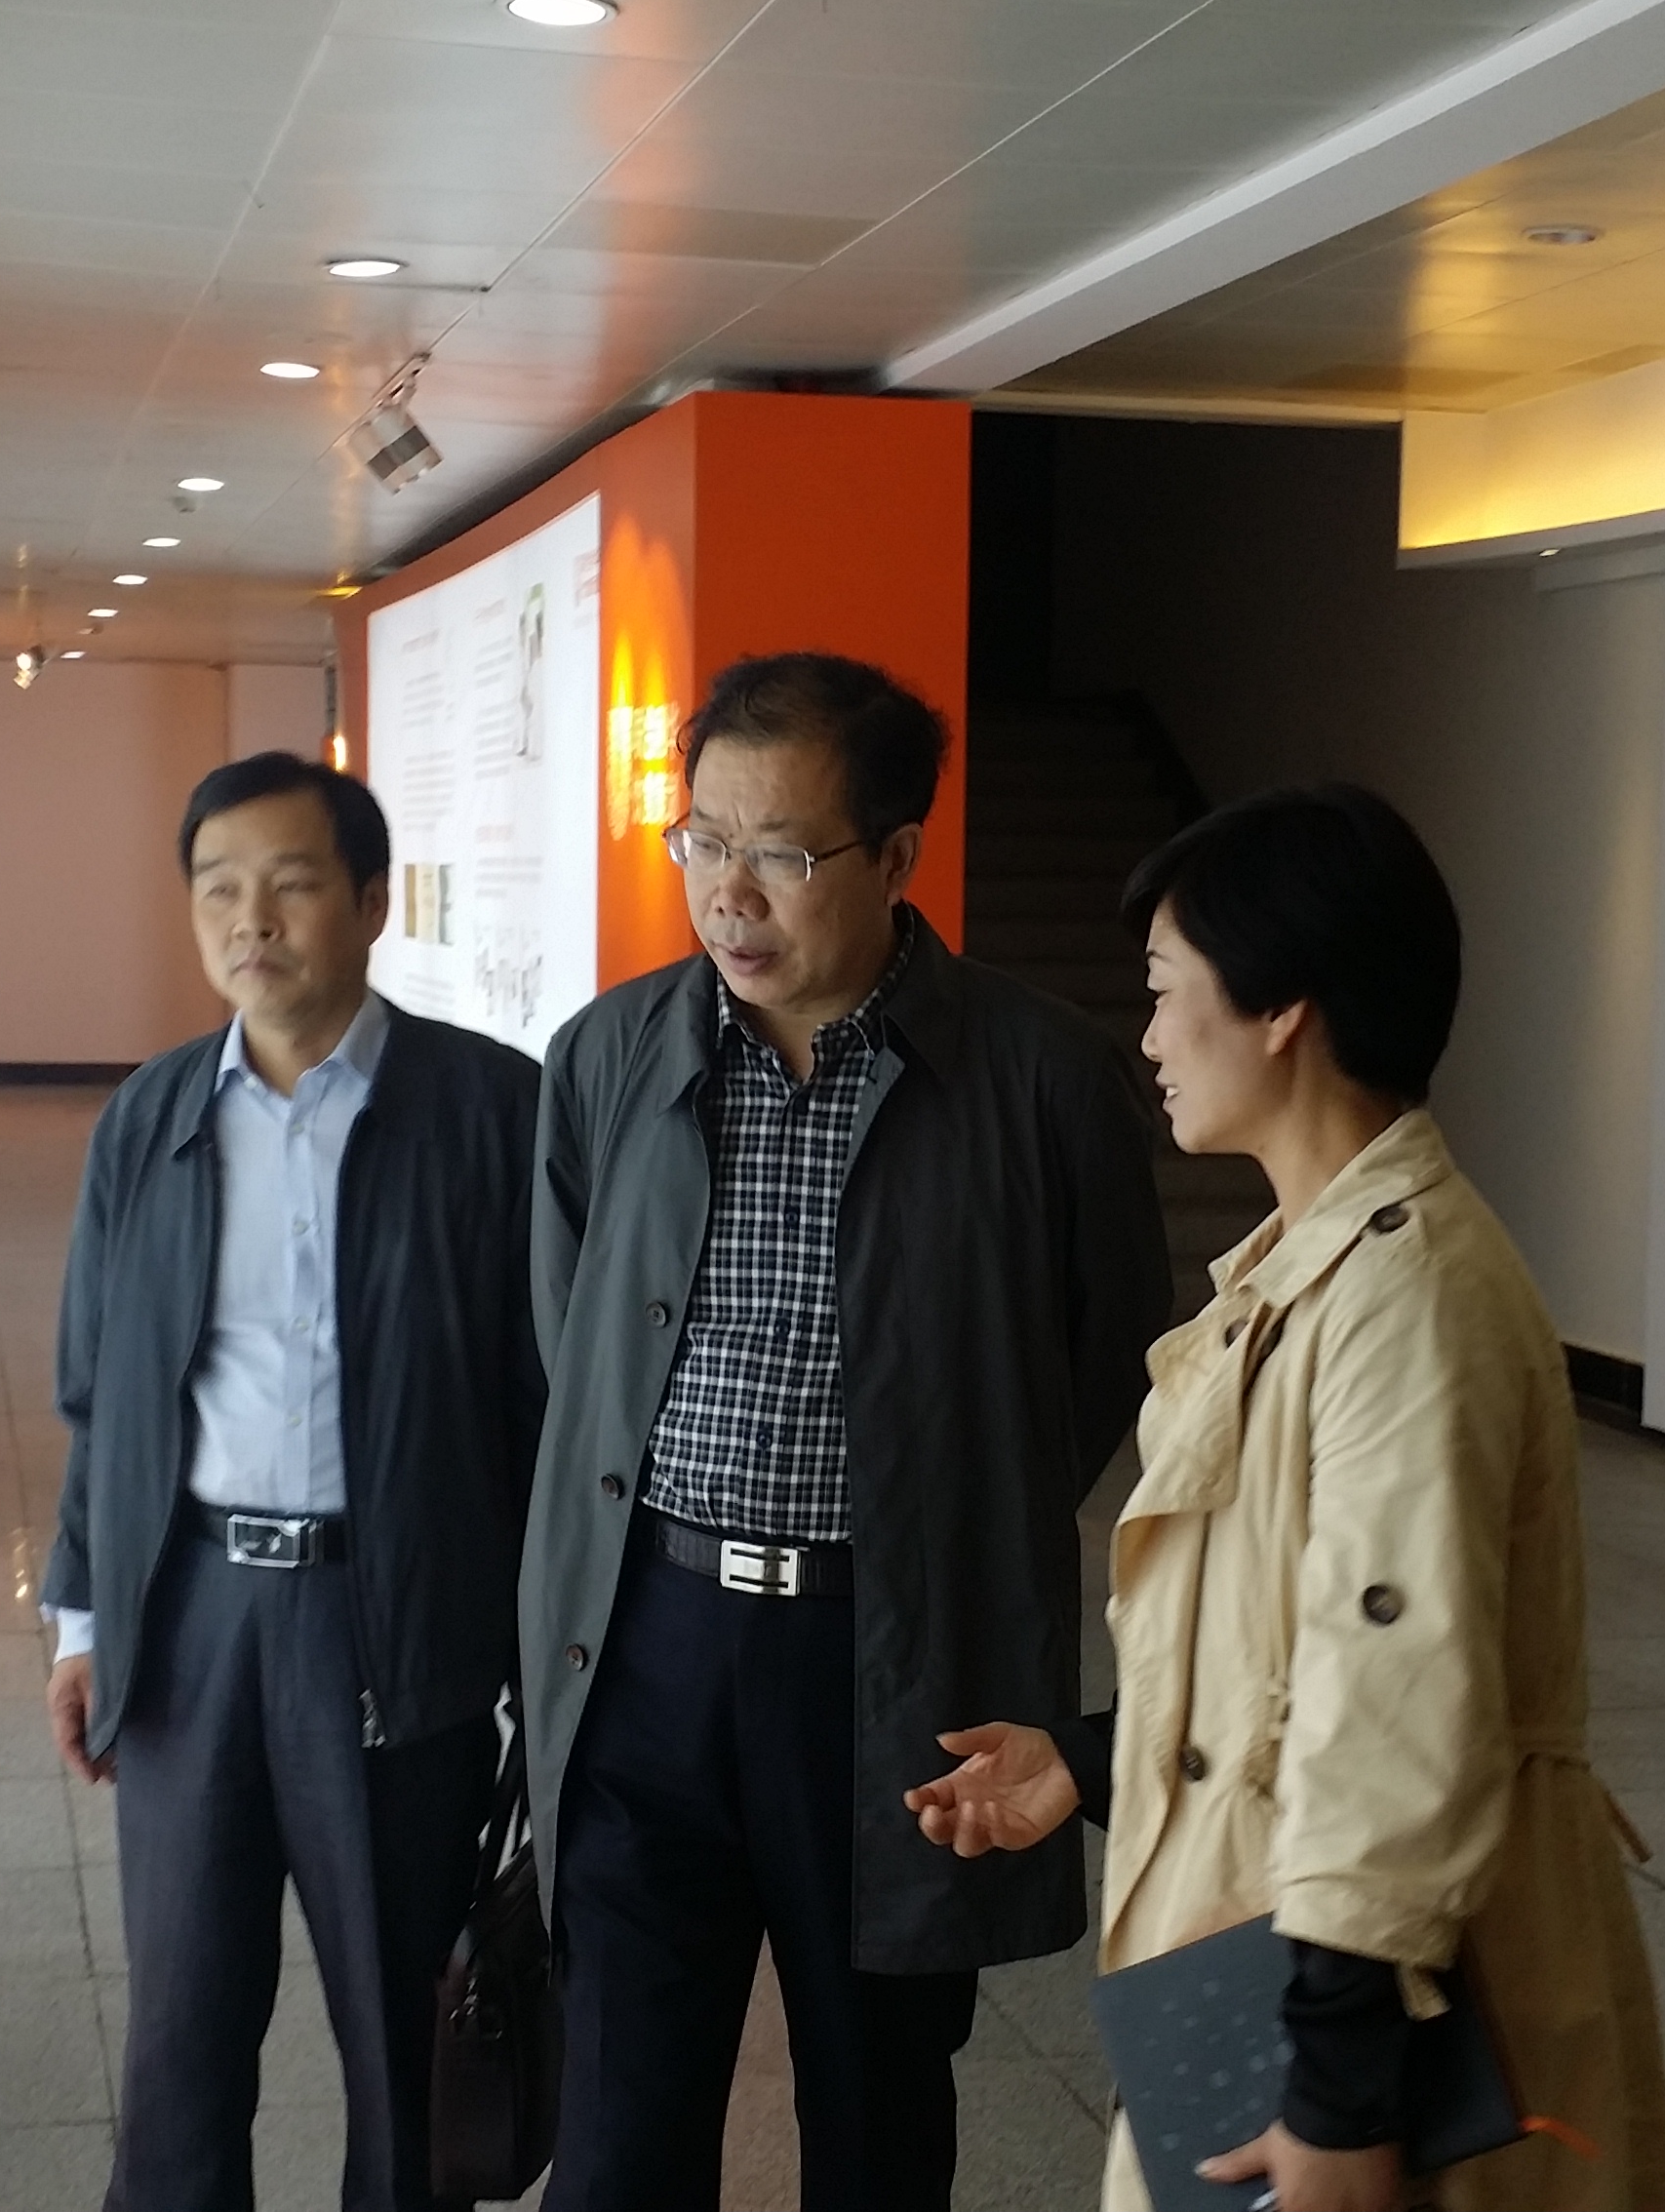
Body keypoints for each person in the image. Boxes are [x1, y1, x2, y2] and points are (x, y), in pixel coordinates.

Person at [905, 785, 1665, 2212]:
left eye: (1164, 991)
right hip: (1280, 1964)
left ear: (1281, 1010)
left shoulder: (1406, 1299)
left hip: (1389, 2020)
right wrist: (1094, 1754)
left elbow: (1394, 1707)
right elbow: (1295, 1653)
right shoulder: (1306, 1274)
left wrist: (1335, 2099)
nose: (1145, 1038)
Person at [520, 652, 1170, 2212]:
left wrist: (952, 1511)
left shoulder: (1040, 1075)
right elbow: (568, 1333)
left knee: (877, 2112)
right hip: (651, 1639)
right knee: (616, 2126)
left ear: (896, 856)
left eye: (783, 854)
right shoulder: (611, 1054)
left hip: (888, 1661)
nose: (730, 893)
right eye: (703, 840)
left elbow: (1101, 1360)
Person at [42, 752, 545, 2212]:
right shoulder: (150, 1118)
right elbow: (99, 1396)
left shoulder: (490, 1110)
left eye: (290, 884)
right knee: (180, 2033)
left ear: (372, 902)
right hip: (191, 1616)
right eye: (218, 890)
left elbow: (545, 1398)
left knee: (403, 2036)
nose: (249, 920)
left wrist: (541, 1655)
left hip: (391, 1621)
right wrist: (82, 1623)